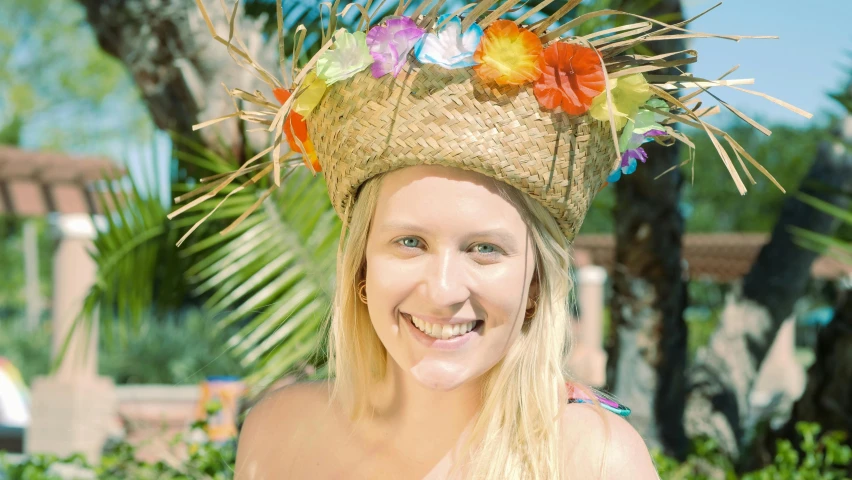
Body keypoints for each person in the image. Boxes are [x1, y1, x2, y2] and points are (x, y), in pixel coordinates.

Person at [175, 1, 809, 478]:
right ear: (360, 267)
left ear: (535, 281)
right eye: (409, 243)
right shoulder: (277, 436)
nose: (445, 289)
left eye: (485, 249)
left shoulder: (597, 461)